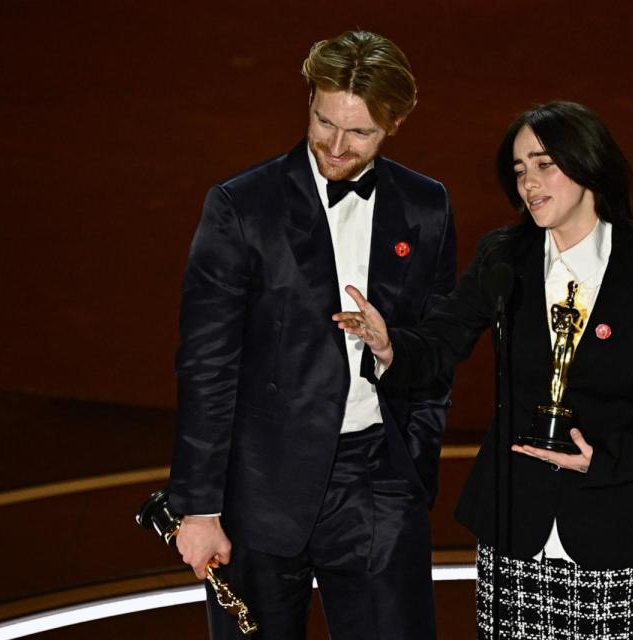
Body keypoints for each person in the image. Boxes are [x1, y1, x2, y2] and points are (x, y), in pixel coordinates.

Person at [335, 101, 633, 639]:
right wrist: (391, 347)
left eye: (544, 165)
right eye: (519, 171)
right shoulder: (504, 258)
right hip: (515, 524)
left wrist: (604, 459)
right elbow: (444, 337)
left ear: (588, 166)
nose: (529, 184)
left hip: (617, 526)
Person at [167, 30, 456, 640]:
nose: (334, 144)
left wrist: (414, 467)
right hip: (260, 487)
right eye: (324, 121)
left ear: (396, 122)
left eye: (359, 133)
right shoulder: (241, 207)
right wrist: (198, 506)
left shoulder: (428, 207)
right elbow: (206, 364)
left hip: (376, 479)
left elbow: (438, 346)